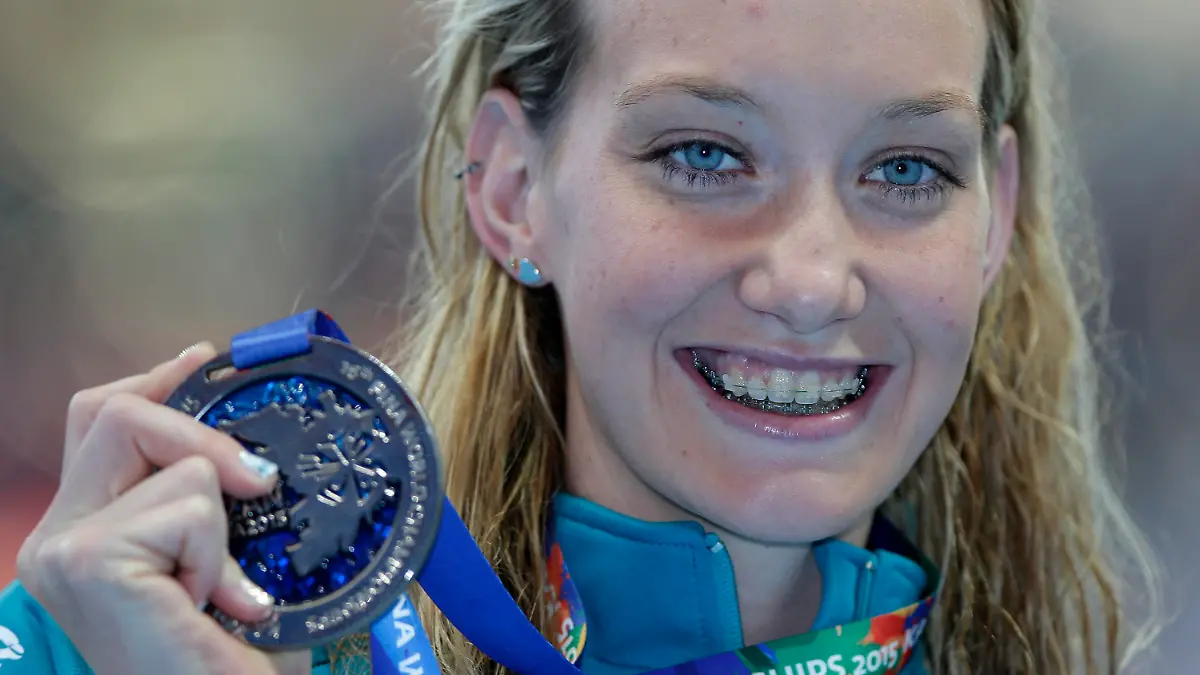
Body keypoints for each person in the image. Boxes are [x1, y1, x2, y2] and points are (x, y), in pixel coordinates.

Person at [0, 0, 1164, 672]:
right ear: (513, 189)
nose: (811, 280)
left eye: (906, 169)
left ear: (996, 216)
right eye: (705, 155)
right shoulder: (131, 635)